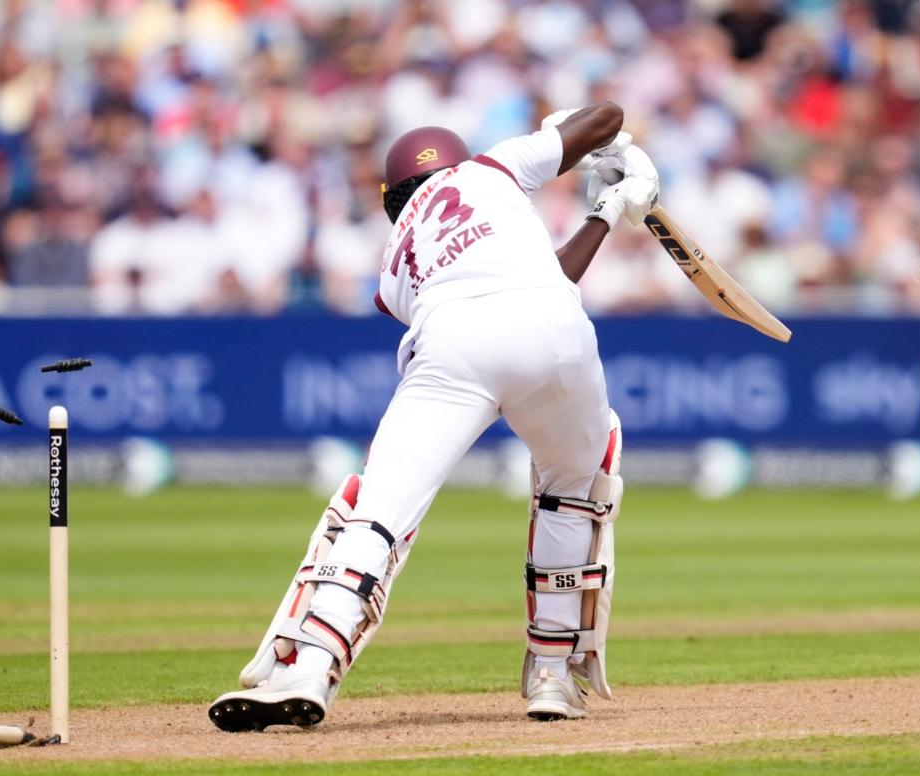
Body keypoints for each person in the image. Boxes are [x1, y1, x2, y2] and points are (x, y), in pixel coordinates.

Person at [208, 101, 660, 730]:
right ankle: (553, 674)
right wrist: (613, 180)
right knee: (574, 489)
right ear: (458, 157)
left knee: (380, 511)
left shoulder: (393, 262)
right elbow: (606, 114)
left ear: (392, 198)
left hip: (454, 344)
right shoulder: (492, 167)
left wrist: (591, 163)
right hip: (558, 334)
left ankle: (311, 663)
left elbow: (501, 288)